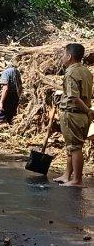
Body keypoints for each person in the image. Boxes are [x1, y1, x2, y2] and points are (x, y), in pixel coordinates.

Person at [53, 43, 93, 187]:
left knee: (75, 147)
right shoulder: (86, 71)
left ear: (69, 56)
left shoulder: (70, 73)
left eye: (64, 54)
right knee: (71, 146)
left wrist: (88, 111)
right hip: (82, 116)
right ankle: (66, 175)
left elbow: (74, 98)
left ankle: (77, 180)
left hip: (73, 114)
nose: (62, 57)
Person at [0, 62, 23, 127]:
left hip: (7, 97)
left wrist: (1, 103)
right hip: (15, 97)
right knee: (10, 117)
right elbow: (20, 87)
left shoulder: (6, 72)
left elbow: (5, 89)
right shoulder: (17, 72)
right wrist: (18, 98)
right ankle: (12, 132)